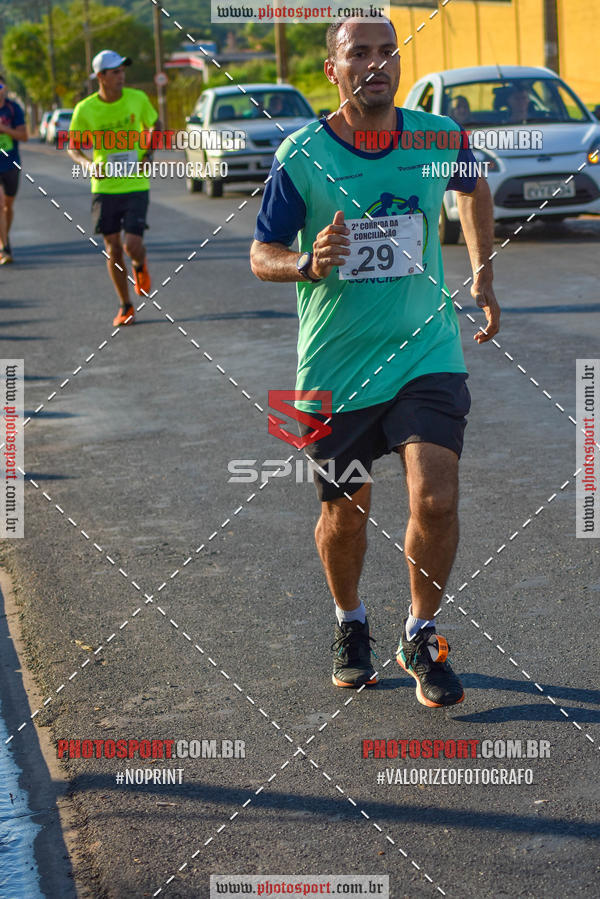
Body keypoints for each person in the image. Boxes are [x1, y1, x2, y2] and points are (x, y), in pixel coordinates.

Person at [250, 17, 500, 707]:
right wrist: (304, 261)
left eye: (386, 51)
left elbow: (473, 185)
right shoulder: (303, 155)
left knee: (435, 495)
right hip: (334, 367)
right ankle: (350, 621)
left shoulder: (436, 135)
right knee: (345, 512)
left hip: (426, 351)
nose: (375, 63)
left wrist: (482, 272)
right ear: (331, 70)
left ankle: (422, 632)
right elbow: (260, 254)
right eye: (358, 53)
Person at [67, 50, 158, 327]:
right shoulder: (85, 109)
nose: (121, 76)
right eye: (115, 72)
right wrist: (86, 165)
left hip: (135, 183)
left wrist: (147, 155)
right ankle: (125, 305)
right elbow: (74, 147)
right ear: (100, 77)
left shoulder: (137, 99)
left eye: (122, 71)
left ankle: (140, 265)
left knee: (132, 244)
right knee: (112, 248)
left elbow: (154, 125)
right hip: (104, 186)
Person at [0, 76, 28, 264]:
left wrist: (3, 129)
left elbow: (24, 135)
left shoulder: (13, 108)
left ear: (5, 87)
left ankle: (4, 237)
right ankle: (5, 247)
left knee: (8, 206)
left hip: (10, 163)